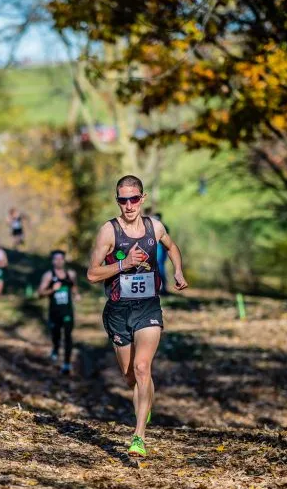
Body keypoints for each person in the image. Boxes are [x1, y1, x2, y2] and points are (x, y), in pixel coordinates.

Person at [87, 175, 187, 457]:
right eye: (123, 200)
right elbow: (92, 274)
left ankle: (138, 436)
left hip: (148, 307)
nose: (128, 205)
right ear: (117, 201)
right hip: (118, 311)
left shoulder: (154, 227)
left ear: (142, 198)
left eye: (133, 199)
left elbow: (172, 246)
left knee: (143, 368)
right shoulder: (109, 232)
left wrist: (178, 270)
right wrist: (124, 263)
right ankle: (145, 402)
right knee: (130, 377)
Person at [37, 250, 77, 375]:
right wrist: (52, 290)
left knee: (68, 336)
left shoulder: (70, 274)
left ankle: (66, 364)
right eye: (56, 259)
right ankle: (55, 348)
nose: (59, 261)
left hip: (67, 311)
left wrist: (77, 294)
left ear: (64, 260)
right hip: (54, 312)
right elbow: (40, 293)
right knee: (56, 334)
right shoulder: (48, 275)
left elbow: (73, 286)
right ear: (52, 261)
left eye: (61, 259)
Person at [153, 212, 170, 294]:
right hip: (156, 248)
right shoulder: (151, 226)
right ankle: (158, 287)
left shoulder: (164, 227)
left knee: (160, 268)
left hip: (161, 248)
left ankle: (164, 288)